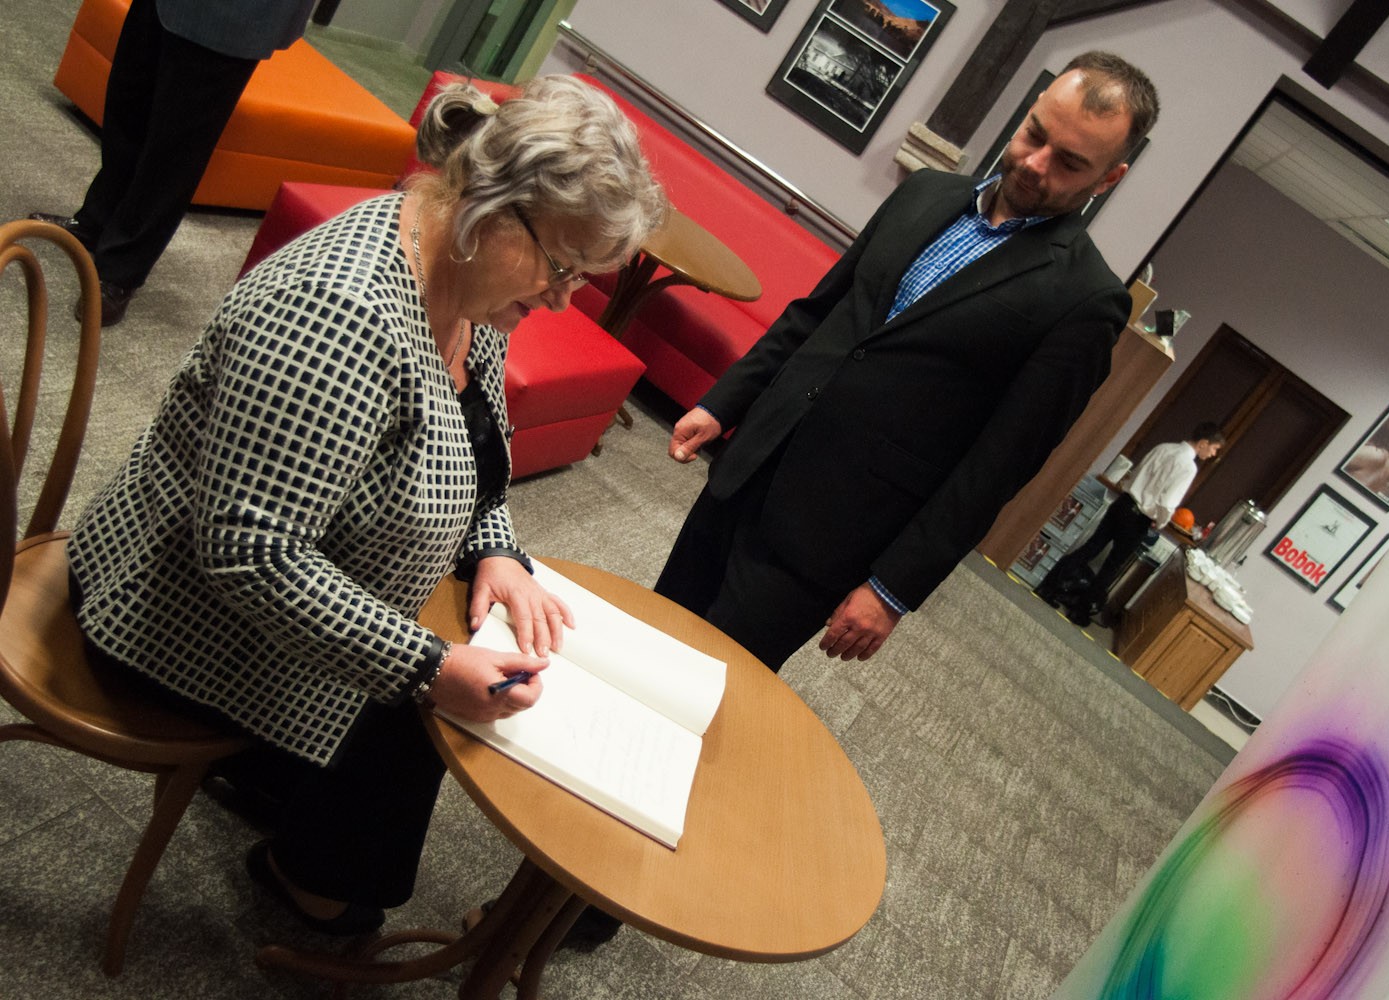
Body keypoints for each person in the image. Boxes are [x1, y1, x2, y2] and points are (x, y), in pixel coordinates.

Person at [65, 75, 664, 933]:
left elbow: (474, 451)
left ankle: (298, 816)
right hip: (179, 616)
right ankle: (308, 882)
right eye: (561, 267)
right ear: (491, 208)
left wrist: (495, 547)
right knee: (423, 718)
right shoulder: (340, 311)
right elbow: (250, 553)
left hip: (294, 589)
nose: (561, 299)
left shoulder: (463, 282)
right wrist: (426, 667)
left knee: (450, 670)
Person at [655, 51, 1160, 673]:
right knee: (650, 630)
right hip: (752, 460)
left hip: (830, 532)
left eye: (1070, 163)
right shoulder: (925, 193)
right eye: (1035, 134)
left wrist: (893, 588)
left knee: (710, 682)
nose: (1035, 163)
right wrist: (723, 401)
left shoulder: (1086, 299)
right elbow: (819, 314)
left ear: (1108, 178)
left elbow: (997, 467)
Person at [30, 0, 318, 326]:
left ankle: (122, 270)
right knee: (129, 99)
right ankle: (96, 221)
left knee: (177, 148)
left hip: (236, 13)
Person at [1036, 423, 1225, 626]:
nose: (1213, 454)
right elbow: (1167, 503)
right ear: (1203, 443)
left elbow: (1137, 473)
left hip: (1123, 503)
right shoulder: (1188, 467)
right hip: (1139, 518)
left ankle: (1047, 586)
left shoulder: (1163, 448)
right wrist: (1160, 521)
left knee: (1091, 547)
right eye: (1214, 448)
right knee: (1112, 566)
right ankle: (1080, 611)